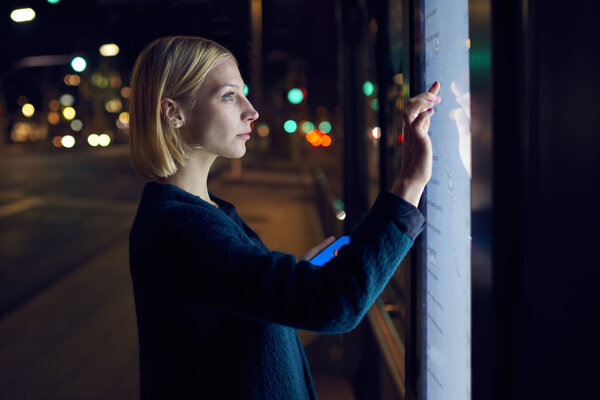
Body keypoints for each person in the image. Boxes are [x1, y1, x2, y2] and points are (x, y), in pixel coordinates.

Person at [128, 35, 441, 399]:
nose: (252, 110)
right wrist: (410, 184)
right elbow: (332, 303)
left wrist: (300, 274)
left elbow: (240, 302)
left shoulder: (199, 212)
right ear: (173, 112)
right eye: (230, 96)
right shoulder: (181, 227)